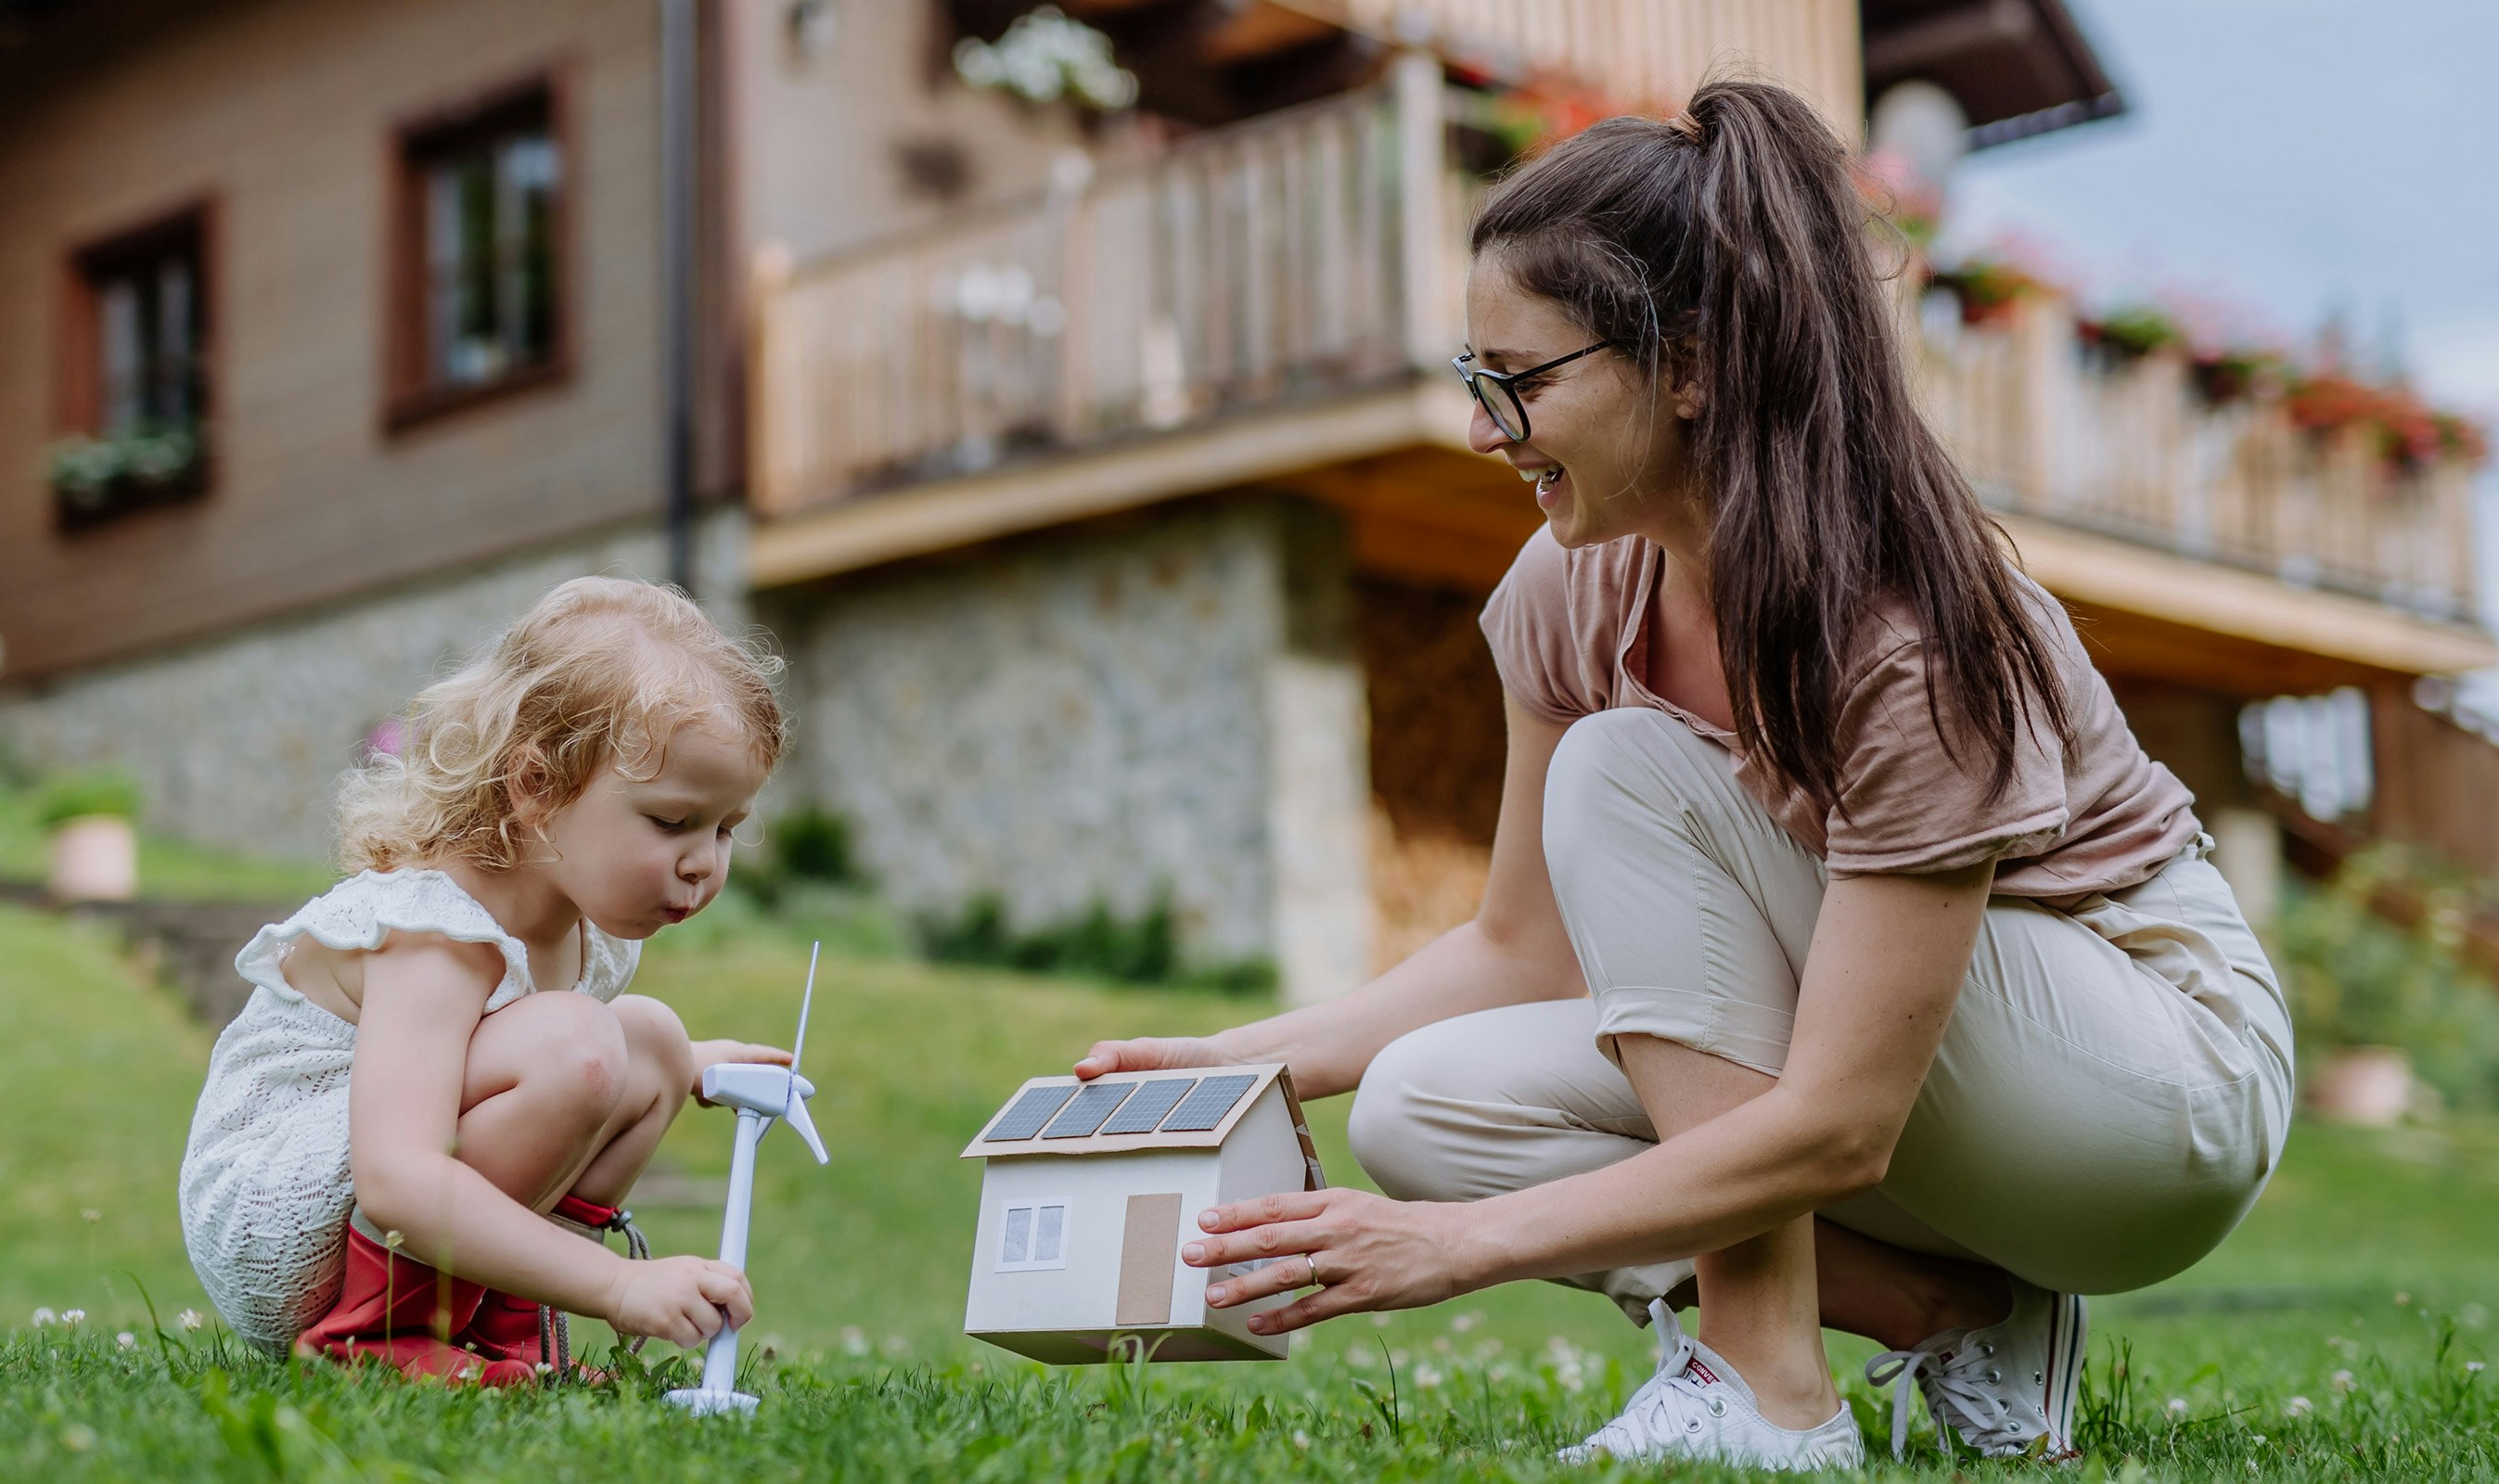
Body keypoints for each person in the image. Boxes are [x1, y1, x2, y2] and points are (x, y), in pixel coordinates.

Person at [1073, 78, 2290, 1470]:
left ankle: (1763, 1389)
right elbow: (1517, 950)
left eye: (1517, 382)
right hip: (1934, 1097)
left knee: (1625, 768)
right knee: (1425, 1107)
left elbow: (1838, 1124)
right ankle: (1953, 1313)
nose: (1484, 431)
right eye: (1477, 381)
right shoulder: (1571, 594)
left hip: (2143, 1088)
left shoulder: (1902, 632)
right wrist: (1234, 1067)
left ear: (1693, 366)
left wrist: (1454, 1251)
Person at [178, 576, 792, 1384]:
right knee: (582, 1044)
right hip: (284, 1225)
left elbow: (514, 1059)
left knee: (649, 1042)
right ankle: (370, 1337)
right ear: (537, 785)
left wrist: (691, 1064)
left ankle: (503, 1339)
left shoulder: (582, 927)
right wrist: (618, 1284)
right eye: (672, 822)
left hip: (376, 1200)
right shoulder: (436, 933)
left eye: (726, 829)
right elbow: (397, 1176)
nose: (702, 862)